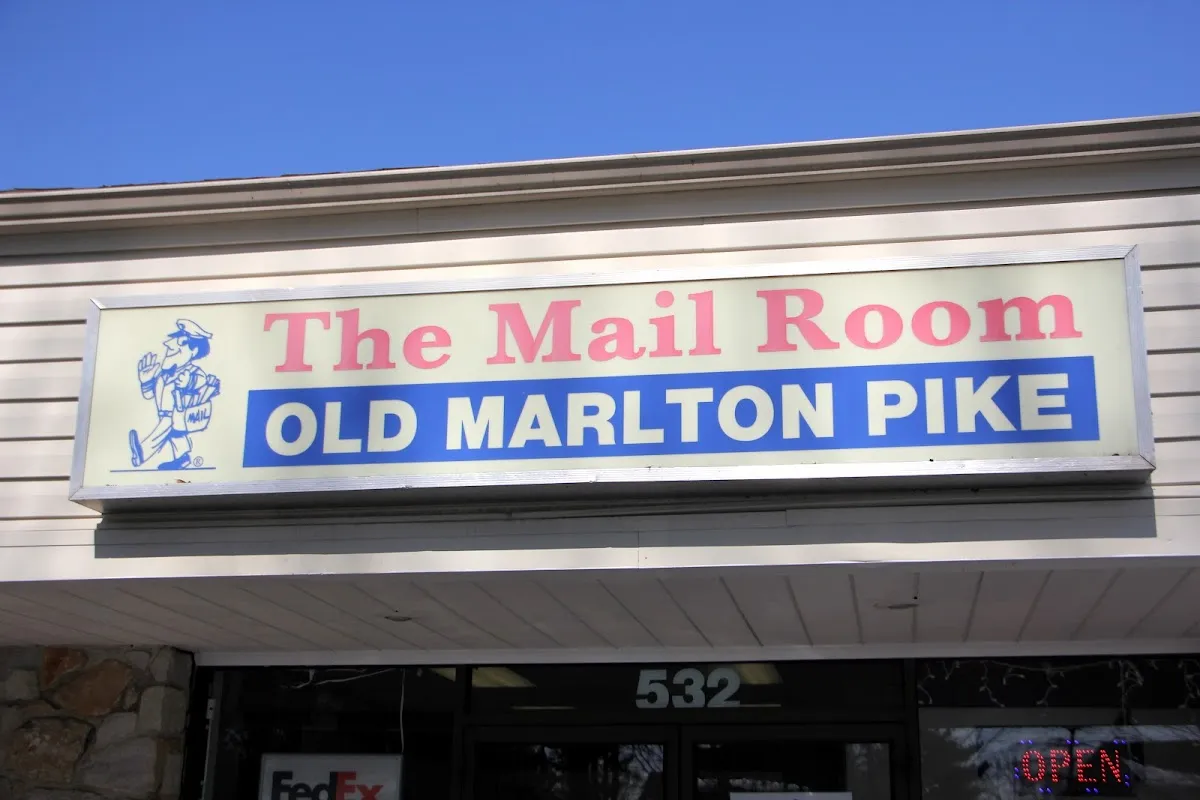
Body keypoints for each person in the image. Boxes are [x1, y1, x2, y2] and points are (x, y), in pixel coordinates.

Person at [128, 319, 220, 470]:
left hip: (176, 415)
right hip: (166, 414)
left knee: (163, 431)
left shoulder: (191, 372)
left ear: (194, 351)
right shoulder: (164, 374)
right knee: (177, 438)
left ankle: (141, 452)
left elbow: (200, 381)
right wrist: (146, 381)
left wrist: (188, 382)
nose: (169, 344)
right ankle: (183, 459)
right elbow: (149, 395)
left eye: (180, 344)